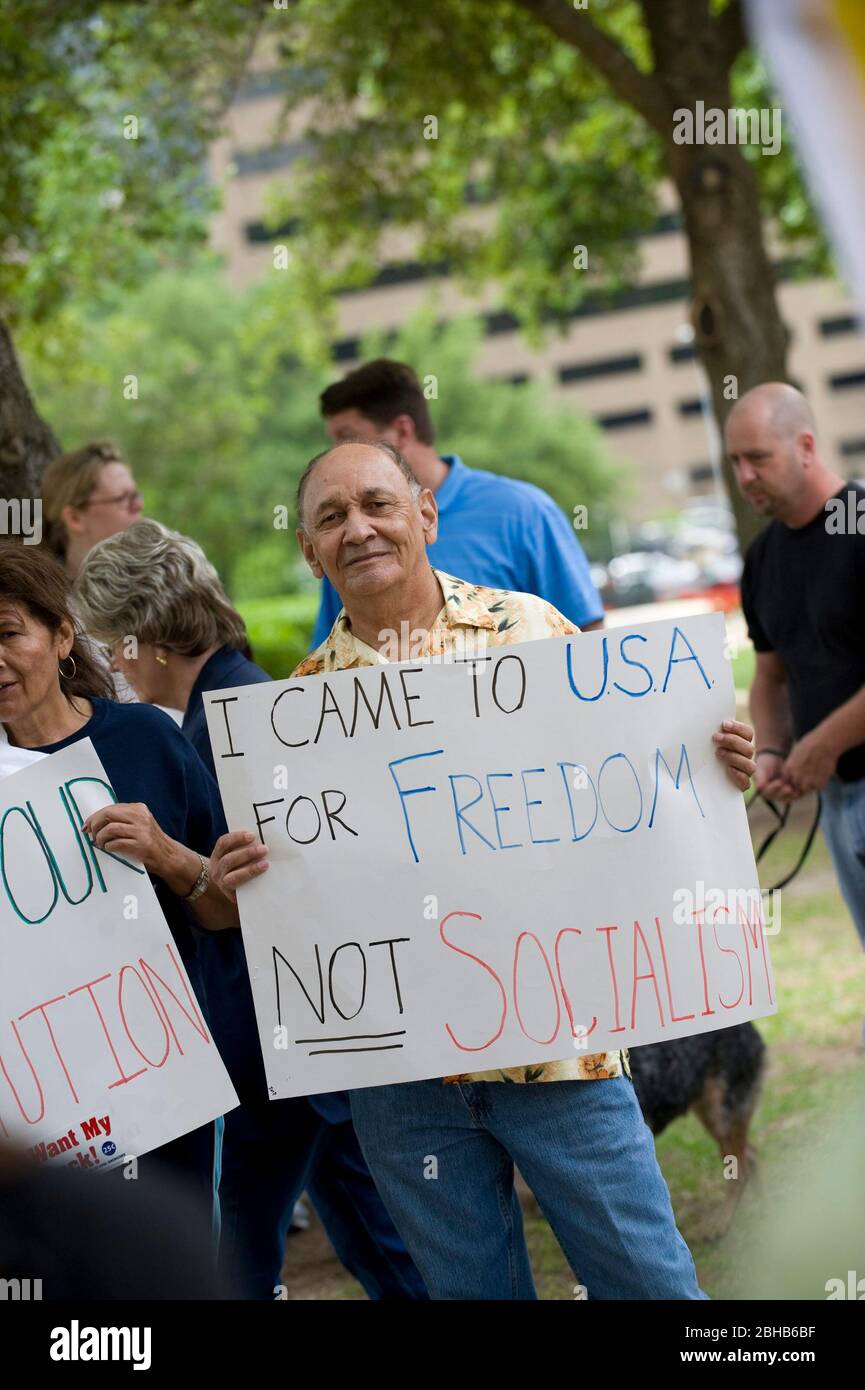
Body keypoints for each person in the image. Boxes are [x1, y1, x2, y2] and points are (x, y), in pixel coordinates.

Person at [211, 439, 757, 1300]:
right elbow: (305, 901)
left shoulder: (534, 634)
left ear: (425, 514)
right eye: (331, 517)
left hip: (558, 1051)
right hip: (403, 1086)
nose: (357, 529)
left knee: (650, 1285)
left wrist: (707, 765)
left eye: (377, 504)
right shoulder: (296, 712)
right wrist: (249, 874)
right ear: (308, 550)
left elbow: (630, 791)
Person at [75, 519, 427, 1301]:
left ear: (138, 637)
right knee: (371, 1231)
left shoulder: (235, 722)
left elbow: (279, 895)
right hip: (295, 1043)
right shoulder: (233, 703)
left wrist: (174, 861)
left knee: (231, 1249)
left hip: (270, 1043)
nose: (106, 661)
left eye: (106, 641)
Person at [0, 542, 239, 1260]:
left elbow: (225, 911)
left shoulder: (144, 738)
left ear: (63, 635)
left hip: (164, 1088)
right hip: (33, 1111)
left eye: (8, 634)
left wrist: (166, 853)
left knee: (173, 1267)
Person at [311, 358, 604, 648]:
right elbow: (338, 652)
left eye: (347, 438)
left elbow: (586, 638)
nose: (338, 454)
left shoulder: (524, 511)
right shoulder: (350, 544)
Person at [727, 383, 865, 958]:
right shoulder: (762, 559)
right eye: (734, 461)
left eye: (758, 457)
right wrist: (776, 751)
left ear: (806, 446)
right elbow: (770, 676)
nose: (745, 476)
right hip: (835, 798)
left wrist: (823, 744)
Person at [41, 440, 144, 578]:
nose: (138, 506)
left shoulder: (159, 581)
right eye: (122, 498)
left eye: (135, 495)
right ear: (74, 518)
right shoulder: (44, 595)